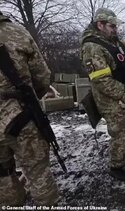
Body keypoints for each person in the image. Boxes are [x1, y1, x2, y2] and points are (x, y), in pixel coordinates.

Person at [0, 12, 60, 205]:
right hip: (20, 116)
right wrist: (31, 98)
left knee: (3, 174)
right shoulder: (15, 32)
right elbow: (42, 77)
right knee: (38, 174)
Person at [80, 8, 125, 181]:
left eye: (116, 26)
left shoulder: (112, 41)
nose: (115, 29)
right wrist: (124, 95)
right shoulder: (92, 47)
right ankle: (117, 166)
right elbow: (102, 81)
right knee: (120, 130)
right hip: (108, 97)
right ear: (100, 25)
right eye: (112, 26)